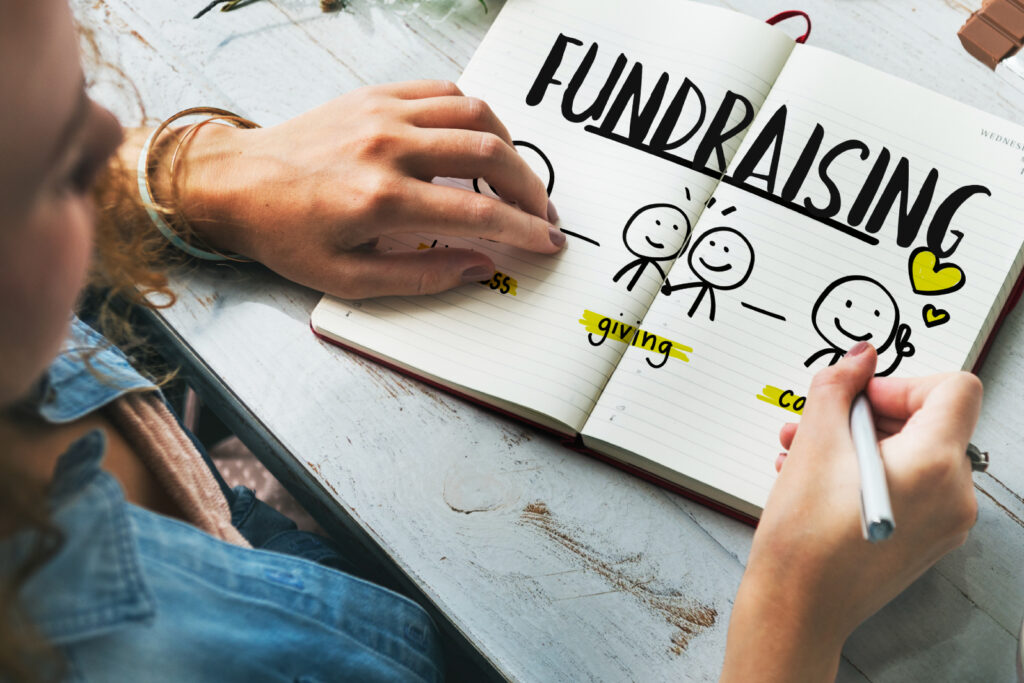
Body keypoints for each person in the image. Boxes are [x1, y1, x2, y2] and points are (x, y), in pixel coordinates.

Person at [0, 1, 981, 681]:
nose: (105, 140)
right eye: (47, 166)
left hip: (224, 528)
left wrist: (188, 178)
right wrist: (792, 619)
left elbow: (121, 166)